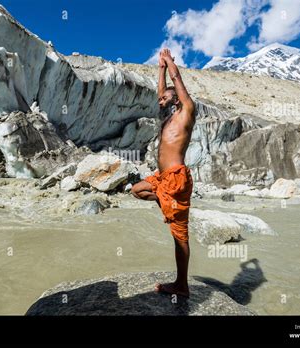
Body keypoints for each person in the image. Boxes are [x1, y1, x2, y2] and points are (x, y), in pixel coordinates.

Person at [131, 48, 195, 298]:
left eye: (164, 99)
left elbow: (178, 83)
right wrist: (159, 68)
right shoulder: (168, 117)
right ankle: (162, 198)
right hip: (162, 180)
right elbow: (163, 91)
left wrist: (169, 63)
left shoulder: (186, 112)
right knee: (137, 190)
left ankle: (182, 284)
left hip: (176, 179)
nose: (159, 101)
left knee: (180, 235)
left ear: (176, 99)